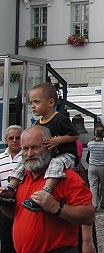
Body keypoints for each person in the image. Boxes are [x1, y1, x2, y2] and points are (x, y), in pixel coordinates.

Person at [0, 125, 95, 253]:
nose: (29, 154)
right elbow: (17, 214)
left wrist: (56, 207)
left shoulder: (67, 177)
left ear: (49, 147)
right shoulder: (23, 178)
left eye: (35, 147)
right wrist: (3, 204)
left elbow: (89, 216)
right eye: (25, 149)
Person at [0, 83, 80, 213]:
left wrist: (58, 140)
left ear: (50, 102)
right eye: (31, 102)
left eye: (36, 102)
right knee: (22, 162)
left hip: (65, 154)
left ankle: (45, 191)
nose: (33, 106)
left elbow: (74, 135)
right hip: (48, 155)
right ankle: (10, 188)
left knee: (56, 164)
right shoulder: (39, 123)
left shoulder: (59, 119)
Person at [0, 125, 22, 253]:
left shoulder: (27, 157)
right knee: (6, 240)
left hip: (22, 204)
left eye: (18, 138)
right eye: (11, 138)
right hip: (4, 206)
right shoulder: (0, 158)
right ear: (6, 140)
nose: (14, 140)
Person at [86, 127, 104, 210]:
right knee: (103, 186)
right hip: (103, 166)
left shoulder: (90, 144)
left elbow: (89, 152)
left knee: (93, 186)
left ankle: (94, 204)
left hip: (92, 166)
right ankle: (102, 202)